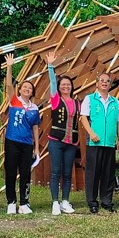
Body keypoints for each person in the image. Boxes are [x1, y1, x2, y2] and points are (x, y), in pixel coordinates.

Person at [80, 71, 119, 214]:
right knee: (93, 173)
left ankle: (107, 201)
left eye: (107, 81)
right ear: (97, 83)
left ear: (110, 84)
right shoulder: (90, 99)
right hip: (95, 142)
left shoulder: (115, 101)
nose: (105, 83)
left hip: (110, 143)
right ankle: (92, 202)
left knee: (108, 173)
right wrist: (91, 133)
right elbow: (83, 118)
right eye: (102, 80)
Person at [3, 53, 41, 215]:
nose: (27, 89)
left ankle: (24, 203)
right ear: (21, 89)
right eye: (24, 87)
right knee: (10, 172)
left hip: (27, 144)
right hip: (11, 141)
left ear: (32, 92)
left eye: (29, 88)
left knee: (25, 173)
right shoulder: (14, 100)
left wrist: (36, 148)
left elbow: (35, 128)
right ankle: (11, 202)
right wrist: (10, 66)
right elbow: (9, 86)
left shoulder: (34, 108)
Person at [44, 51, 80, 216]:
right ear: (59, 87)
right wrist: (50, 66)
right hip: (56, 141)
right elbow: (52, 81)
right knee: (56, 171)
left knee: (67, 173)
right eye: (63, 85)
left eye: (68, 85)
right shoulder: (56, 99)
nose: (66, 87)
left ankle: (65, 201)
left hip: (71, 142)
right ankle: (55, 202)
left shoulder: (77, 102)